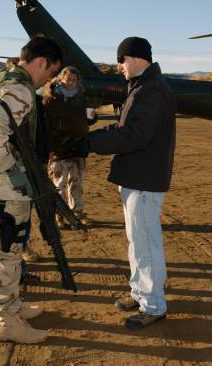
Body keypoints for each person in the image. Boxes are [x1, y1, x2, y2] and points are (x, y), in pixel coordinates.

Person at [73, 37, 175, 329]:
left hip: (143, 178)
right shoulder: (143, 88)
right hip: (138, 176)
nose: (119, 67)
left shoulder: (151, 91)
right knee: (138, 241)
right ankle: (142, 292)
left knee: (145, 244)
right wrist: (90, 138)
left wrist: (88, 144)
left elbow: (133, 136)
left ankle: (153, 305)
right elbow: (123, 128)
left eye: (122, 60)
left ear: (137, 58)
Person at [0, 36, 62, 343]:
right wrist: (14, 170)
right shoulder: (20, 88)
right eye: (50, 73)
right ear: (42, 62)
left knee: (2, 250)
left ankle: (13, 305)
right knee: (8, 253)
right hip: (2, 188)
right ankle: (6, 320)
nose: (48, 80)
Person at [42, 66, 97, 227]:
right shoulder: (51, 98)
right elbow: (45, 126)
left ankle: (78, 213)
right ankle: (59, 216)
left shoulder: (81, 97)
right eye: (68, 79)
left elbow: (87, 120)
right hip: (59, 149)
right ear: (60, 79)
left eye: (74, 80)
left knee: (77, 183)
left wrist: (93, 117)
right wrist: (50, 148)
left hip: (79, 147)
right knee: (59, 185)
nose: (71, 83)